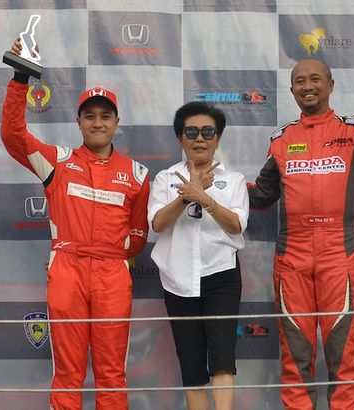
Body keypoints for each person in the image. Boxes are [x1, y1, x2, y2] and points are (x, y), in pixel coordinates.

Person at [247, 37, 354, 409]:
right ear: (291, 90)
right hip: (292, 258)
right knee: (295, 354)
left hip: (340, 253)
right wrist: (216, 189)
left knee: (342, 353)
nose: (308, 86)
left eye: (315, 79)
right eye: (300, 81)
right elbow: (262, 196)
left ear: (331, 85)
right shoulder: (281, 140)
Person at [0, 38, 150, 410]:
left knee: (112, 372)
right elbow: (13, 135)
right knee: (68, 371)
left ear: (117, 122)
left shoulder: (137, 174)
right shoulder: (57, 162)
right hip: (68, 270)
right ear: (78, 121)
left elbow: (137, 236)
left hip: (113, 274)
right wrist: (20, 78)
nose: (98, 122)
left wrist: (110, 256)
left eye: (105, 116)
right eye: (90, 116)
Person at [148, 102, 249, 410]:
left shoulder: (234, 180)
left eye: (208, 132)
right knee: (191, 365)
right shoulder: (165, 179)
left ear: (218, 138)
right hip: (177, 279)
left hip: (222, 276)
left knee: (222, 360)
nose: (200, 138)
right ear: (181, 138)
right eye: (191, 132)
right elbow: (157, 224)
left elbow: (237, 225)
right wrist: (186, 195)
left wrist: (204, 198)